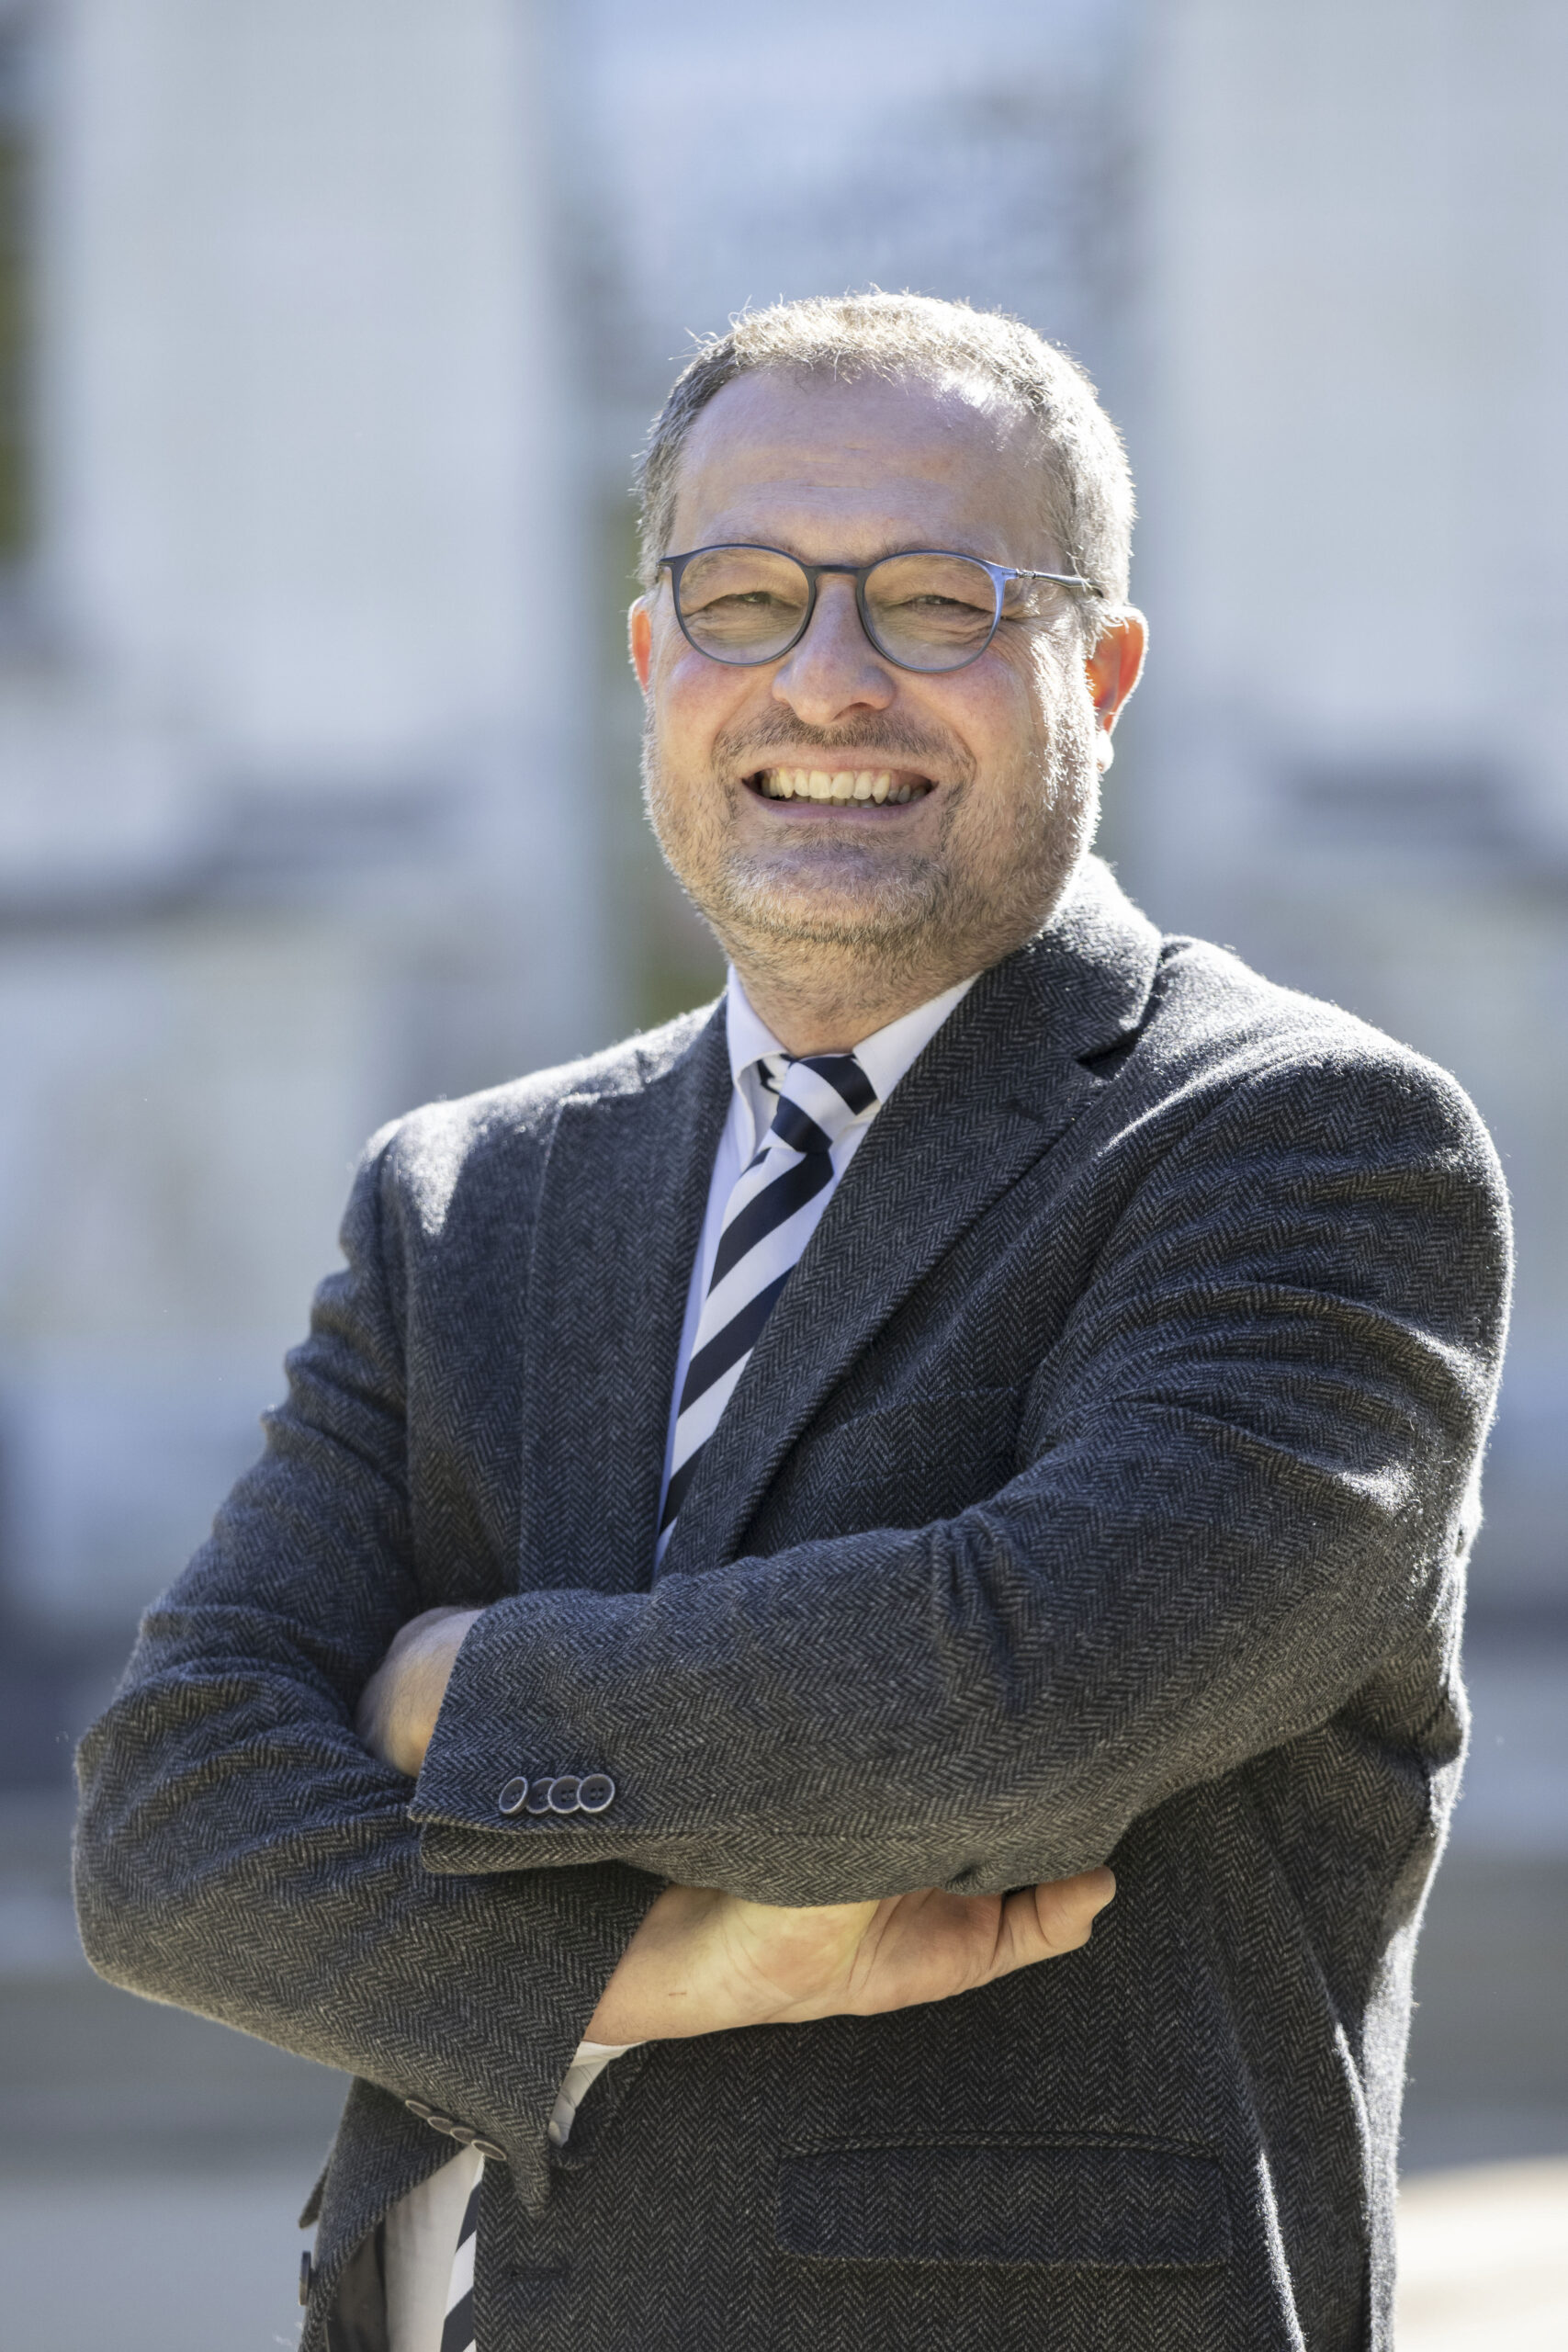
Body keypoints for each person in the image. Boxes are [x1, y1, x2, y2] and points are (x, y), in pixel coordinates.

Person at [74, 292, 1510, 2352]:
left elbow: (1018, 1699)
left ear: (1097, 671)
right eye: (742, 598)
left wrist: (455, 1689)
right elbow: (164, 1820)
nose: (826, 678)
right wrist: (643, 1972)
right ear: (652, 661)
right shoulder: (465, 1194)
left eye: (934, 602)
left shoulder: (1302, 1144)